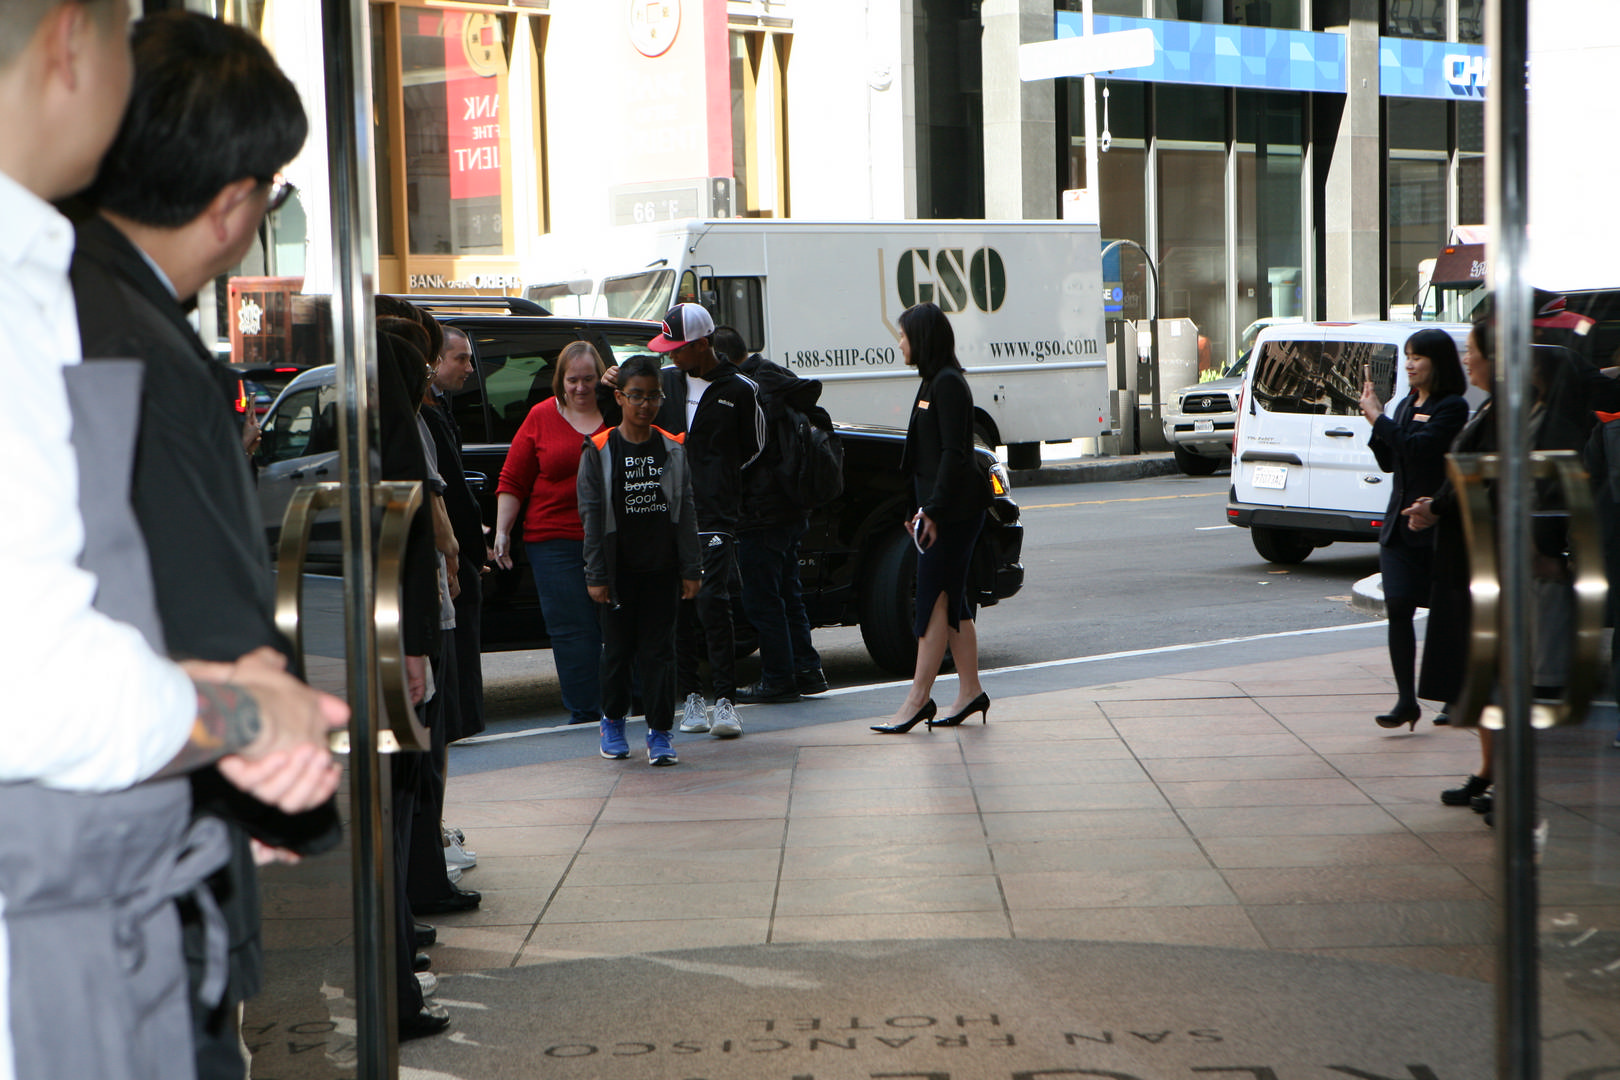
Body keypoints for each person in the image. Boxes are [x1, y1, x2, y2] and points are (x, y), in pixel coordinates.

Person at [0, 3, 347, 1076]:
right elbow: (46, 672)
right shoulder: (74, 311)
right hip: (88, 901)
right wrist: (256, 726)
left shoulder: (68, 281)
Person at [630, 303, 765, 738]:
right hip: (666, 513)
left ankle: (725, 702)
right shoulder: (664, 383)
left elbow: (754, 447)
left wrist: (717, 479)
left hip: (715, 513)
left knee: (712, 601)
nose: (670, 355)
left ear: (702, 345)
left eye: (676, 348)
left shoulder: (740, 389)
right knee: (679, 606)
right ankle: (690, 698)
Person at [872, 302, 993, 734]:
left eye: (903, 335)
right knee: (953, 601)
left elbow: (955, 456)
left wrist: (934, 511)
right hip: (938, 511)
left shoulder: (948, 385)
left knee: (932, 602)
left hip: (955, 515)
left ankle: (918, 698)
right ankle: (970, 691)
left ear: (922, 338)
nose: (899, 342)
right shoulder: (932, 382)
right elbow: (923, 457)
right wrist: (915, 508)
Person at [578, 354, 702, 765]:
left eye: (653, 397)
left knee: (659, 654)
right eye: (636, 396)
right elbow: (591, 516)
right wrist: (596, 574)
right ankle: (612, 722)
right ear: (619, 397)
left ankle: (660, 733)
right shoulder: (599, 449)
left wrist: (691, 568)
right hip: (618, 572)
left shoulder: (673, 447)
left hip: (661, 571)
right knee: (616, 652)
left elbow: (685, 513)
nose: (645, 405)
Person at [493, 341, 611, 727]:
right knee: (572, 628)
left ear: (602, 378)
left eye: (589, 380)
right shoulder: (541, 416)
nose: (581, 388)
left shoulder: (617, 411)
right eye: (572, 380)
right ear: (560, 381)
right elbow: (513, 479)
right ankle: (586, 710)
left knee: (620, 622)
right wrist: (503, 532)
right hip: (554, 539)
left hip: (611, 538)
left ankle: (630, 701)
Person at [712, 325, 829, 702]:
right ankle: (807, 669)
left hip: (763, 511)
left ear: (724, 360)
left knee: (763, 599)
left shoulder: (748, 391)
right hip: (793, 507)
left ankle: (778, 678)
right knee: (787, 593)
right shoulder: (779, 379)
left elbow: (746, 453)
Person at [1361, 328, 1469, 731]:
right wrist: (1376, 422)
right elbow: (1392, 460)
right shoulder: (1406, 403)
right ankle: (1407, 699)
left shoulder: (1451, 407)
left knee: (1447, 614)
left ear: (1437, 362)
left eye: (1417, 357)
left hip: (1437, 527)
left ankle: (1454, 694)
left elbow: (1421, 448)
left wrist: (1379, 419)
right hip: (1399, 528)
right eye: (1407, 356)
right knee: (1399, 607)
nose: (1409, 363)